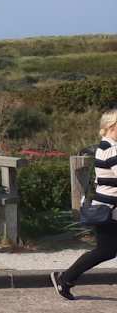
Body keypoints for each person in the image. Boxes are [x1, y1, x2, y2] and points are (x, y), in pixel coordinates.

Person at [52, 109, 117, 300]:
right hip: (110, 210)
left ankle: (66, 278)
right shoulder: (111, 149)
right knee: (105, 251)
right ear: (113, 126)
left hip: (110, 208)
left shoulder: (106, 147)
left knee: (106, 251)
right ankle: (65, 278)